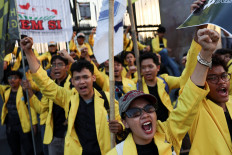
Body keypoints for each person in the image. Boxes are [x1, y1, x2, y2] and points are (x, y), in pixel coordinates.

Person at [107, 27, 219, 155]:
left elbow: (190, 92)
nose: (145, 115)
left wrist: (204, 53)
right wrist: (119, 127)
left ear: (158, 67)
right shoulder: (133, 85)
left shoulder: (168, 135)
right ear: (126, 121)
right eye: (134, 113)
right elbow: (117, 105)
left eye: (149, 109)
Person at [20, 37, 123, 155]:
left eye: (85, 77)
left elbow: (121, 125)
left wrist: (119, 128)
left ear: (93, 78)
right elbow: (44, 83)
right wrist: (28, 52)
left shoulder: (107, 99)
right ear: (72, 82)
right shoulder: (68, 98)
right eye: (77, 78)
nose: (82, 82)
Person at [0, 71, 38, 155]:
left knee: (28, 149)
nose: (12, 80)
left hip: (23, 125)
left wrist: (34, 124)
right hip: (10, 126)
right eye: (10, 78)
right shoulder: (6, 90)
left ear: (20, 80)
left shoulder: (25, 91)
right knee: (14, 149)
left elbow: (32, 107)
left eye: (15, 78)